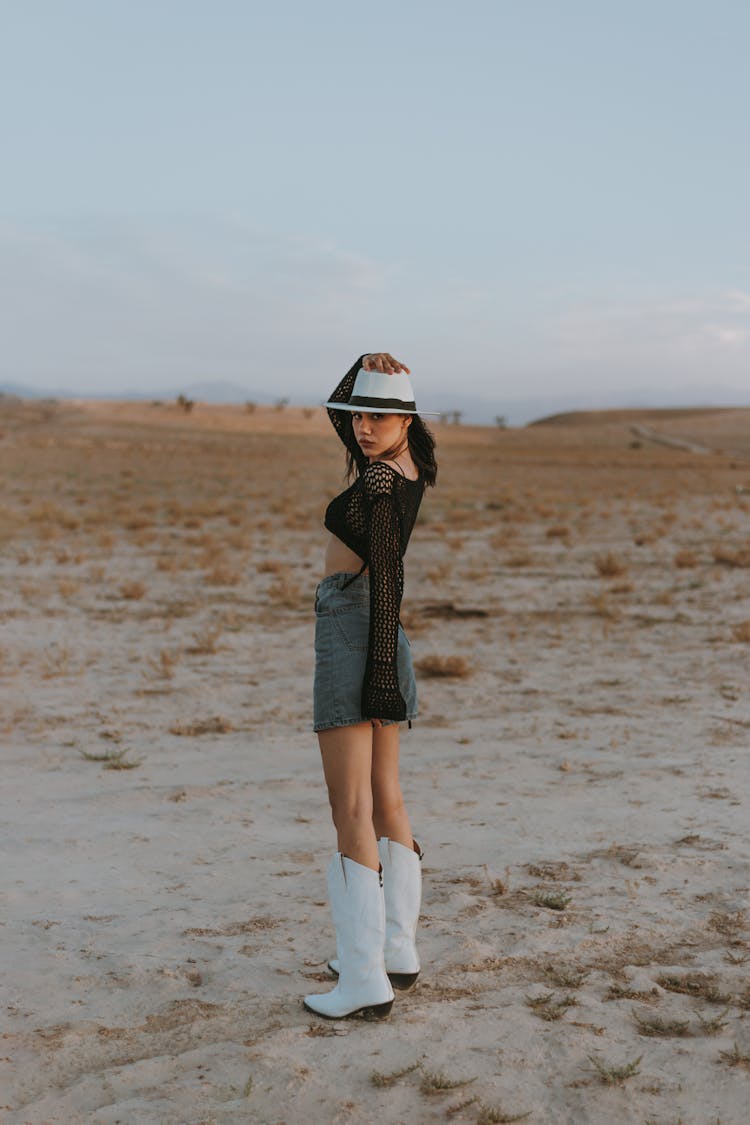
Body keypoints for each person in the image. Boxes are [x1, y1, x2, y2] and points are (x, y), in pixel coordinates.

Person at [303, 351, 438, 1020]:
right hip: (380, 632)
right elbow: (337, 408)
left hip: (360, 626)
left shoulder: (380, 482)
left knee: (350, 806)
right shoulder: (406, 464)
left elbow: (386, 576)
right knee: (386, 797)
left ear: (406, 418)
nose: (361, 424)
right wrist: (367, 368)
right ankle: (394, 948)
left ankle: (362, 979)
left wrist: (378, 673)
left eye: (379, 414)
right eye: (361, 412)